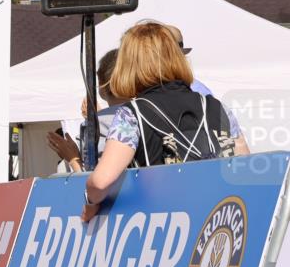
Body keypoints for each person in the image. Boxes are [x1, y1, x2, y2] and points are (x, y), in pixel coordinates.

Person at [82, 21, 250, 222]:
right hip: (219, 222)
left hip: (167, 228)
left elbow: (101, 182)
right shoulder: (217, 107)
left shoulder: (131, 115)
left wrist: (91, 203)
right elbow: (245, 167)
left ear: (129, 64)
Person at [48, 49, 127, 172]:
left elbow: (95, 179)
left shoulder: (97, 124)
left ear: (101, 83)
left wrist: (73, 159)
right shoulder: (148, 113)